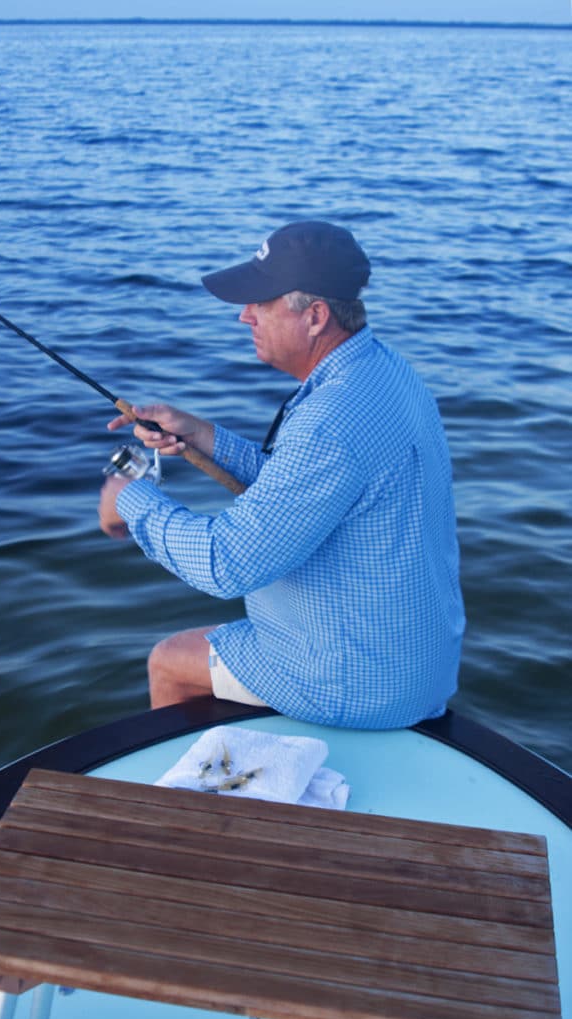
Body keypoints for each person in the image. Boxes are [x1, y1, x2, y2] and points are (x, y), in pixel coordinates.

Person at [99, 220, 465, 727]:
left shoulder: (330, 422)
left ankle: (186, 801)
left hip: (357, 683)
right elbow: (301, 486)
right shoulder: (384, 372)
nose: (244, 315)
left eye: (260, 301)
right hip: (417, 663)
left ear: (314, 316)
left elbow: (226, 563)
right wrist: (204, 436)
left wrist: (129, 497)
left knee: (169, 661)